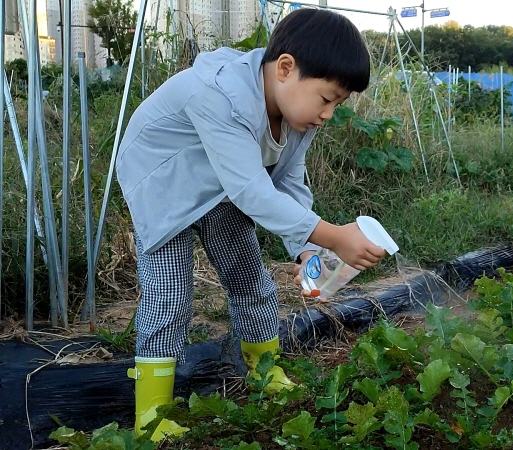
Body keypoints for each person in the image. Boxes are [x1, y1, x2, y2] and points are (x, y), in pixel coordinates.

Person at [115, 8, 386, 441]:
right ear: (285, 69)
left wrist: (308, 250)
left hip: (221, 183)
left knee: (250, 279)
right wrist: (334, 235)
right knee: (170, 295)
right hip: (163, 181)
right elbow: (253, 194)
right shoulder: (220, 94)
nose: (329, 114)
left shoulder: (297, 112)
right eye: (328, 98)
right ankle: (150, 418)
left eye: (338, 103)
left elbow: (289, 184)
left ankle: (265, 372)